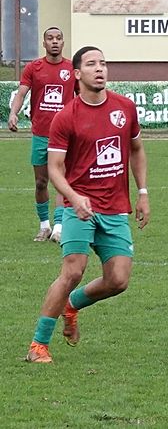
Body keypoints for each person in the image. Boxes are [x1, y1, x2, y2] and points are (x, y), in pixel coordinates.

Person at [24, 46, 149, 363]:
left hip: (115, 208)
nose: (100, 68)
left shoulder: (124, 108)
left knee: (118, 280)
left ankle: (72, 305)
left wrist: (143, 192)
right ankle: (38, 346)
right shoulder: (66, 117)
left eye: (103, 63)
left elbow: (136, 149)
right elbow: (55, 168)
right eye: (92, 64)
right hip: (78, 208)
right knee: (72, 271)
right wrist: (74, 196)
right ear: (77, 73)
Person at [7, 27, 76, 243]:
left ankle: (59, 227)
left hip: (64, 136)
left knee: (61, 180)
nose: (54, 41)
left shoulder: (72, 68)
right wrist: (13, 113)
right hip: (40, 134)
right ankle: (44, 226)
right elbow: (21, 93)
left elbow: (83, 97)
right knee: (40, 182)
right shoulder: (33, 67)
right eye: (50, 38)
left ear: (63, 43)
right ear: (44, 43)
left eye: (58, 38)